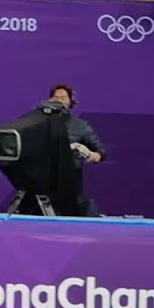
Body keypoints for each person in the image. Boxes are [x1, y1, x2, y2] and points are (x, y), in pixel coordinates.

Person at [50, 84, 106, 216]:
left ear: (71, 102)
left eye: (63, 98)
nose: (59, 101)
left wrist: (92, 155)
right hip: (42, 184)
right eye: (55, 98)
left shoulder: (81, 126)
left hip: (70, 187)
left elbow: (100, 152)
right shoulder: (37, 124)